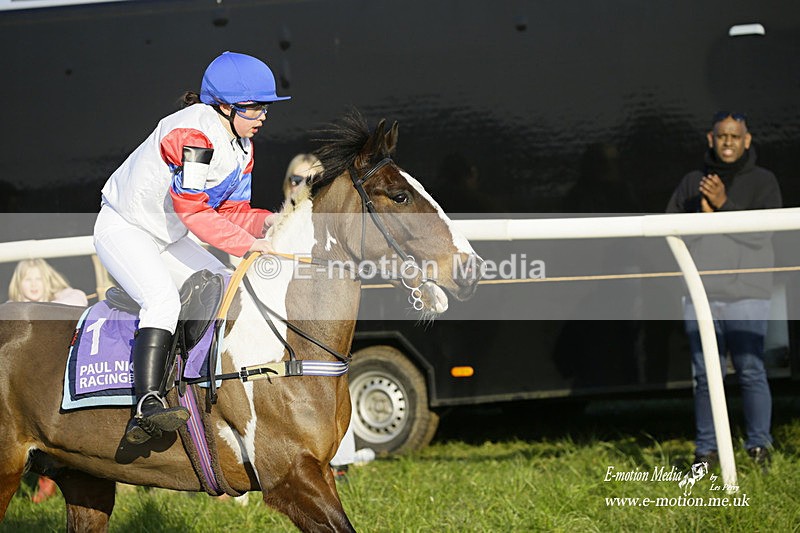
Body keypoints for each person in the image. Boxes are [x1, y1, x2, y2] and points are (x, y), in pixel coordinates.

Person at [93, 51, 290, 445]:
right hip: (124, 228)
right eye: (253, 109)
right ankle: (146, 405)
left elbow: (232, 210)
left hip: (166, 238)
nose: (262, 117)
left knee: (224, 282)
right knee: (163, 301)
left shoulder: (242, 147)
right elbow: (194, 214)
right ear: (223, 105)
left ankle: (202, 385)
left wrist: (269, 221)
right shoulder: (194, 135)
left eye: (264, 108)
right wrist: (253, 245)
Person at [666, 111, 782, 468]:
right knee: (705, 376)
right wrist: (703, 219)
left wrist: (723, 207)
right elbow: (668, 234)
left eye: (735, 136)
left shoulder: (764, 181)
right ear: (710, 139)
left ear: (747, 141)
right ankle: (706, 451)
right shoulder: (691, 183)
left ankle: (758, 446)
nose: (728, 142)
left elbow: (765, 233)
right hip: (701, 295)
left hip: (748, 292)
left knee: (750, 369)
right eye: (722, 136)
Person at [7, 258, 88, 503]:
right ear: (19, 284)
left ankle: (50, 477)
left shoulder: (68, 297)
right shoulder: (13, 307)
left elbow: (79, 299)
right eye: (27, 280)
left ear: (48, 280)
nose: (33, 285)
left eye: (37, 278)